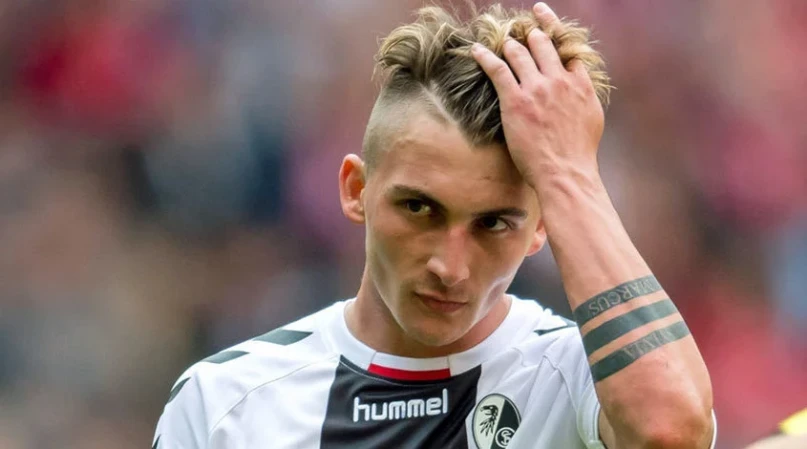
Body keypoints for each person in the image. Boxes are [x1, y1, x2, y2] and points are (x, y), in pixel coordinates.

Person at [152, 3, 716, 448]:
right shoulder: (226, 404)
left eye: (493, 223)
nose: (450, 267)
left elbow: (672, 433)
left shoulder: (575, 379)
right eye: (420, 209)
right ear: (356, 190)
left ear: (542, 227)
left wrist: (567, 174)